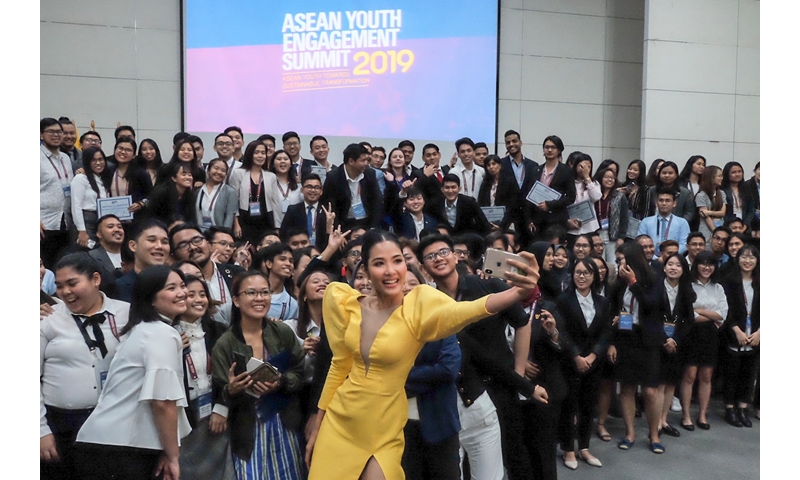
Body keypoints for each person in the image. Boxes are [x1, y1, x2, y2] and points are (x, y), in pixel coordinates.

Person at [305, 230, 541, 479]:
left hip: (384, 427)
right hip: (340, 421)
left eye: (397, 261)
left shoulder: (419, 307)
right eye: (378, 263)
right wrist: (318, 423)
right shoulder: (343, 301)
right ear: (364, 268)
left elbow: (468, 310)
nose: (390, 271)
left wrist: (516, 293)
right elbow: (339, 366)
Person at [75, 266, 191, 480]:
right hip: (123, 449)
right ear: (151, 299)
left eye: (183, 286)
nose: (182, 292)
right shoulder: (161, 333)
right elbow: (162, 402)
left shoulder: (141, 329)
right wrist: (173, 455)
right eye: (171, 288)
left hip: (104, 444)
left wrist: (166, 449)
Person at [40, 253, 130, 480]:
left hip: (117, 420)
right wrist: (40, 430)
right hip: (63, 426)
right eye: (59, 286)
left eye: (72, 283)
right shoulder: (47, 318)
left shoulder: (126, 313)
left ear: (96, 279)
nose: (65, 292)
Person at [211, 270, 307, 479]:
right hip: (248, 427)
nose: (260, 298)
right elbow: (219, 390)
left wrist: (282, 381)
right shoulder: (225, 344)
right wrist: (233, 389)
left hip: (284, 421)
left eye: (265, 292)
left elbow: (299, 371)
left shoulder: (282, 331)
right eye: (251, 293)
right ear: (236, 300)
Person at [556, 258, 612, 469]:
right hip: (570, 361)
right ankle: (568, 449)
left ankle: (585, 447)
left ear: (594, 276)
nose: (581, 276)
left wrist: (593, 356)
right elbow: (561, 332)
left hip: (594, 363)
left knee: (588, 406)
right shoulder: (563, 300)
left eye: (586, 273)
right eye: (577, 272)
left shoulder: (603, 302)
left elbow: (606, 332)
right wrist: (577, 357)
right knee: (569, 406)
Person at [610, 242, 666, 454]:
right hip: (626, 338)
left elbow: (651, 306)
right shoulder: (617, 284)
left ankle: (653, 434)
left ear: (632, 260)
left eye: (621, 260)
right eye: (616, 261)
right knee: (627, 388)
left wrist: (633, 282)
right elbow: (613, 310)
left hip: (648, 340)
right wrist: (613, 338)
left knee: (650, 391)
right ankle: (630, 432)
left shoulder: (654, 279)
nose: (618, 265)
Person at [176, 275, 231, 479]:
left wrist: (222, 407)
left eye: (203, 294)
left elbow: (229, 374)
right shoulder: (168, 334)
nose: (199, 299)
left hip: (216, 416)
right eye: (191, 295)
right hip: (182, 419)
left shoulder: (218, 330)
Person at [679, 251, 728, 431]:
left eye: (710, 264)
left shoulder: (718, 288)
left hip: (711, 335)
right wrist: (711, 315)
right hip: (691, 333)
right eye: (703, 263)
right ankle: (686, 415)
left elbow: (722, 314)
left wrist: (700, 310)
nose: (706, 267)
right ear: (696, 265)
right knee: (690, 374)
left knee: (706, 376)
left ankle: (702, 414)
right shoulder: (688, 285)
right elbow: (689, 315)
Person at [169, 223, 244, 326]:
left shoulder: (237, 273)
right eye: (183, 245)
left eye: (197, 240)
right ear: (173, 255)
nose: (193, 247)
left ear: (208, 244)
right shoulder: (174, 283)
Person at [654, 253, 696, 438]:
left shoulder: (687, 291)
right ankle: (654, 423)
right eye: (669, 264)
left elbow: (689, 320)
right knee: (658, 385)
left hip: (677, 343)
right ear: (664, 268)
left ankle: (664, 420)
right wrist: (664, 339)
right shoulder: (655, 289)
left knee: (671, 384)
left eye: (677, 265)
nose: (673, 267)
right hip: (657, 342)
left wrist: (675, 339)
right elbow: (650, 318)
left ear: (683, 269)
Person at [720, 245, 759, 428]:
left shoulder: (762, 282)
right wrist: (736, 330)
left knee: (749, 373)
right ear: (738, 259)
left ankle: (742, 408)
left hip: (756, 335)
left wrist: (761, 332)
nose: (748, 260)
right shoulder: (729, 281)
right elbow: (725, 309)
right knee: (732, 373)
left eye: (752, 257)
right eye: (744, 256)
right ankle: (730, 408)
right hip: (734, 333)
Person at [317, 143, 384, 245]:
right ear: (351, 161)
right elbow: (329, 207)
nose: (366, 163)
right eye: (363, 161)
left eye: (367, 160)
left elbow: (377, 201)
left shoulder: (369, 173)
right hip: (344, 223)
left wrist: (373, 227)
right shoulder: (334, 177)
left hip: (366, 222)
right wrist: (337, 231)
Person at [41, 118, 75, 269]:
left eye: (58, 132)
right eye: (51, 132)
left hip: (65, 222)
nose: (56, 135)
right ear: (41, 135)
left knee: (61, 265)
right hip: (44, 223)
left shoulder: (66, 158)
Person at [229, 141, 279, 244]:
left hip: (266, 222)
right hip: (244, 221)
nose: (260, 156)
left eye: (263, 153)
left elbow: (276, 203)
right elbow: (233, 201)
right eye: (256, 152)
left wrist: (277, 227)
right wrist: (236, 223)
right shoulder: (238, 173)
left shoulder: (271, 176)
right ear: (249, 154)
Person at [527, 135, 577, 238]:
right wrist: (529, 219)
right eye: (546, 147)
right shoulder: (535, 170)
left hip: (556, 220)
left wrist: (549, 205)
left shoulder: (566, 171)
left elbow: (571, 198)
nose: (549, 150)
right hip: (537, 220)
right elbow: (528, 196)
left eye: (553, 147)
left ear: (559, 150)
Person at [113, 218, 170, 302]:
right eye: (152, 240)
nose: (159, 246)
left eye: (165, 242)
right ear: (133, 246)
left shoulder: (177, 282)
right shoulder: (120, 287)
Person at [70, 146, 112, 247]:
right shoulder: (80, 178)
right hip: (86, 222)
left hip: (101, 221)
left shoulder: (103, 180)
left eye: (100, 159)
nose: (98, 163)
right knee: (88, 252)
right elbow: (76, 206)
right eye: (93, 160)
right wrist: (82, 230)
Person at [252, 243, 299, 321]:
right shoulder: (252, 291)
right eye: (282, 259)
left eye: (291, 261)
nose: (288, 264)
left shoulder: (292, 304)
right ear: (269, 264)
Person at [637, 187, 691, 255]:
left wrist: (668, 255)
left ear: (674, 203)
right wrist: (655, 258)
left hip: (674, 260)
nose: (664, 203)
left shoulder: (682, 223)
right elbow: (640, 243)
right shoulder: (646, 222)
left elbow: (684, 245)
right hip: (650, 259)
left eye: (667, 200)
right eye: (661, 200)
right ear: (656, 203)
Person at [142, 160, 197, 225]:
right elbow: (152, 216)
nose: (188, 177)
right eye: (184, 174)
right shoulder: (162, 193)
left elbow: (191, 218)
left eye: (190, 175)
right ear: (174, 178)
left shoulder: (190, 195)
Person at [594, 167, 629, 265]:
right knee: (598, 263)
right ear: (600, 178)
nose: (609, 180)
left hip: (613, 235)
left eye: (612, 178)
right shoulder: (595, 195)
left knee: (613, 264)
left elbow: (624, 218)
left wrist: (621, 237)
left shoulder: (619, 196)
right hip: (596, 234)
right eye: (606, 177)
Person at [280, 174, 326, 246]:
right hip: (298, 251)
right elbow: (284, 234)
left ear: (321, 191)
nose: (313, 190)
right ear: (302, 190)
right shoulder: (293, 210)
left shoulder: (327, 211)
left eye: (317, 187)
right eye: (309, 187)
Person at [645, 161, 696, 225]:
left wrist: (678, 224)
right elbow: (646, 210)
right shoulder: (651, 191)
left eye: (670, 173)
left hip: (677, 227)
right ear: (659, 174)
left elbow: (689, 213)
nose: (667, 175)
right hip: (653, 225)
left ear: (676, 175)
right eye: (664, 173)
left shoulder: (686, 193)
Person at [478, 154, 520, 231]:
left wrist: (502, 225)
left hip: (506, 223)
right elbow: (481, 203)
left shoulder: (509, 181)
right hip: (488, 224)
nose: (491, 167)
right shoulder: (485, 183)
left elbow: (513, 205)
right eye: (488, 165)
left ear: (500, 165)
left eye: (494, 164)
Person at [195, 158, 238, 231]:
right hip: (199, 233)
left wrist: (223, 234)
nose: (219, 172)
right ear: (208, 170)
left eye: (223, 170)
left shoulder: (230, 192)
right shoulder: (198, 190)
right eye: (216, 168)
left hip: (218, 234)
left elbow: (229, 217)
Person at [566, 153, 602, 238]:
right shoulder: (568, 182)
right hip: (572, 227)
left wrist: (587, 178)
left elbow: (596, 197)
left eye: (588, 167)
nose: (585, 169)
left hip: (589, 227)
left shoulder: (594, 183)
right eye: (582, 166)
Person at [270, 149, 303, 228]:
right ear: (273, 164)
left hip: (295, 227)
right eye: (279, 159)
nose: (282, 161)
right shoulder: (269, 184)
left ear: (291, 164)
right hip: (273, 227)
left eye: (285, 159)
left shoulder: (299, 185)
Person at [696, 165, 727, 242]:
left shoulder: (722, 193)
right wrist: (715, 232)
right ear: (711, 177)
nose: (722, 178)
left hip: (720, 226)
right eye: (719, 176)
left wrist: (709, 212)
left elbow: (722, 213)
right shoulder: (701, 195)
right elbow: (705, 216)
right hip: (706, 230)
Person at [721, 161, 755, 226]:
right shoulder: (722, 189)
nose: (737, 174)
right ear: (727, 174)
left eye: (739, 171)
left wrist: (745, 225)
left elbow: (751, 209)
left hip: (744, 225)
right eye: (733, 172)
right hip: (727, 225)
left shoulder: (747, 188)